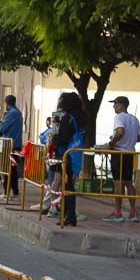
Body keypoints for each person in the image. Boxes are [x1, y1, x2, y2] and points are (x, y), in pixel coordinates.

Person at [50, 92, 87, 227]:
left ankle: (68, 216)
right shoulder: (81, 116)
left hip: (67, 155)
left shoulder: (68, 118)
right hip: (77, 154)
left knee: (67, 186)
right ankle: (69, 215)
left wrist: (54, 138)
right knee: (70, 186)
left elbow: (63, 138)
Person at [104, 96, 140, 223]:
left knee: (118, 182)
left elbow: (120, 132)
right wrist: (128, 141)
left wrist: (111, 142)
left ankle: (118, 213)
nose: (113, 106)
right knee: (128, 182)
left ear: (121, 105)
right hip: (130, 153)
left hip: (119, 152)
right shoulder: (135, 119)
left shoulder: (119, 117)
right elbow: (138, 138)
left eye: (115, 103)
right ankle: (133, 212)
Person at [0, 95, 23, 198]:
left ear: (6, 103)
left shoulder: (11, 113)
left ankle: (6, 193)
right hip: (16, 144)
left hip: (10, 145)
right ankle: (15, 191)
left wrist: (2, 120)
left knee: (7, 169)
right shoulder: (18, 113)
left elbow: (2, 128)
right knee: (12, 169)